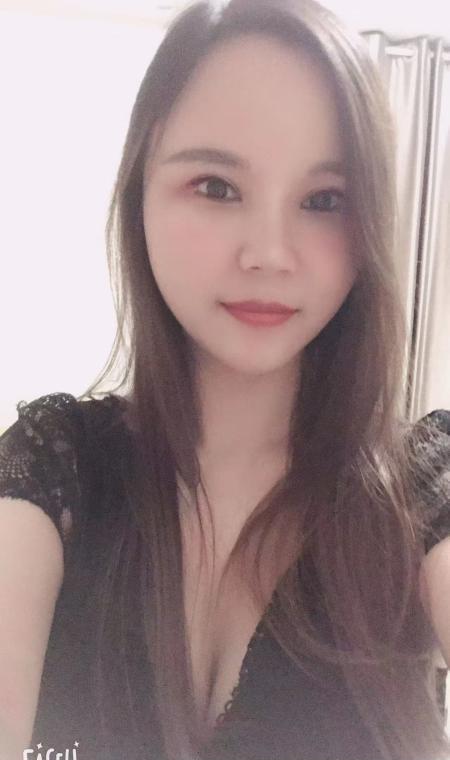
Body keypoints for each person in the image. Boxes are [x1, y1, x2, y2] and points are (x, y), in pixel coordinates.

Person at [0, 0, 449, 758]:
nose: (269, 253)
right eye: (216, 187)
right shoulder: (54, 467)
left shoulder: (420, 489)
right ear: (140, 195)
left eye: (324, 201)